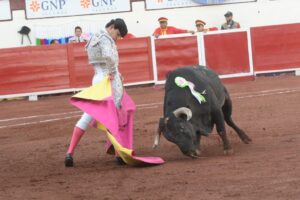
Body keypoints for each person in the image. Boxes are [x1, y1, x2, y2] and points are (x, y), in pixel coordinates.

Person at [65, 18, 128, 167]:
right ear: (112, 27)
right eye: (117, 34)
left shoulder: (94, 36)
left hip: (97, 78)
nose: (117, 38)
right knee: (113, 115)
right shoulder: (106, 38)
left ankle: (70, 152)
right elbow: (107, 56)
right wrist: (114, 72)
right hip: (107, 81)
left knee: (88, 115)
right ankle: (119, 155)